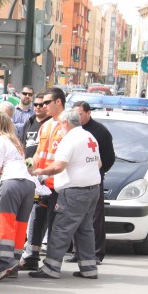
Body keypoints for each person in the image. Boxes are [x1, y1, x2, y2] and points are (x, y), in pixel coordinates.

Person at [29, 109, 102, 279]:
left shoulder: (69, 139)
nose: (59, 128)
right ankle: (89, 268)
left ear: (65, 123)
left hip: (74, 192)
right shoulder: (89, 137)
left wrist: (39, 172)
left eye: (60, 125)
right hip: (92, 189)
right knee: (85, 229)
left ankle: (51, 268)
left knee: (61, 228)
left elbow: (58, 166)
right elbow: (98, 163)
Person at [20, 87, 66, 271]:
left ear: (58, 102)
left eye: (47, 102)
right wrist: (29, 167)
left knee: (56, 224)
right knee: (37, 219)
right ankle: (32, 256)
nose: (43, 106)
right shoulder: (46, 126)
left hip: (60, 184)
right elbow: (39, 153)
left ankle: (52, 264)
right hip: (43, 183)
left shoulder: (68, 124)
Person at [0, 112, 35, 280]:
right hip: (28, 185)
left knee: (5, 223)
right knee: (20, 225)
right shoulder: (16, 142)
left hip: (11, 183)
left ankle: (5, 263)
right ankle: (14, 262)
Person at [70, 100, 115, 263]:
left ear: (89, 113)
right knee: (76, 217)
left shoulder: (100, 131)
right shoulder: (73, 130)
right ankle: (77, 252)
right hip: (75, 180)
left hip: (93, 180)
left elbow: (109, 158)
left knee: (94, 218)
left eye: (80, 114)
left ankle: (96, 253)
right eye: (74, 114)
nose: (77, 117)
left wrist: (98, 172)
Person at [19, 92, 51, 264]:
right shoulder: (30, 122)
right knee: (30, 213)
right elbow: (23, 144)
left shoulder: (50, 125)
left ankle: (33, 254)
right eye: (36, 105)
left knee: (38, 214)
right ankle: (30, 251)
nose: (38, 107)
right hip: (28, 172)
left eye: (42, 104)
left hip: (43, 174)